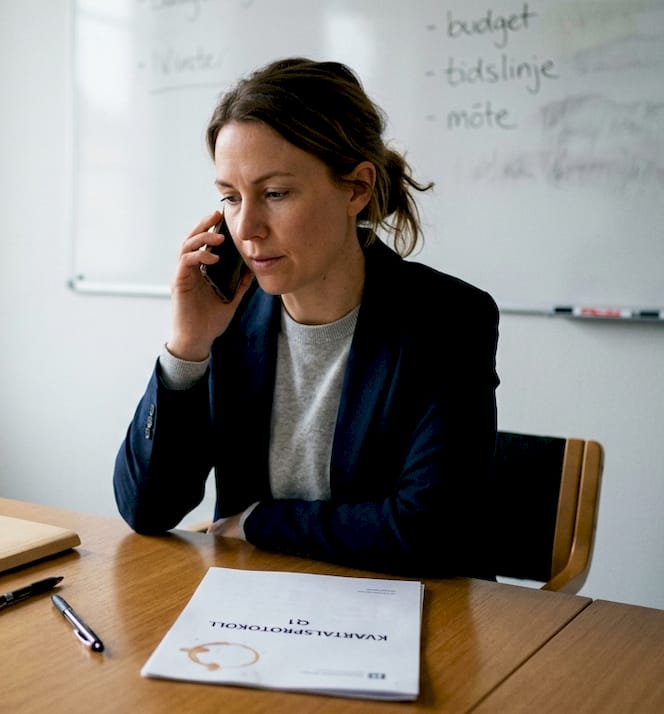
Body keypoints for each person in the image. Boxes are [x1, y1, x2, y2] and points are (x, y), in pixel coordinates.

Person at [112, 57, 500, 578]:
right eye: (229, 197)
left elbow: (428, 531)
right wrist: (187, 348)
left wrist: (259, 523)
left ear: (356, 189)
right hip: (259, 606)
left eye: (275, 194)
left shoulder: (448, 319)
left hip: (414, 614)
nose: (246, 227)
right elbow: (148, 511)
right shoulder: (229, 315)